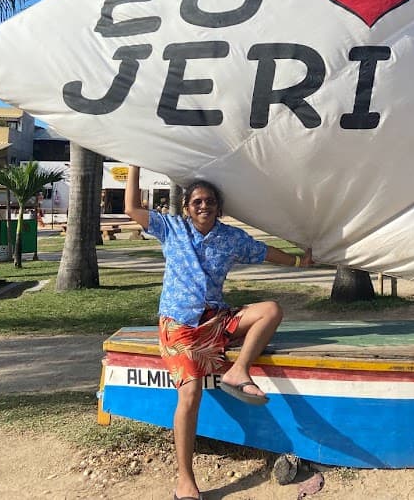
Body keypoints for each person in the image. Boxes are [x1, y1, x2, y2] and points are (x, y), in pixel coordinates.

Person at [124, 165, 313, 500]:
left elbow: (265, 252)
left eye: (209, 201)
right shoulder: (172, 229)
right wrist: (134, 164)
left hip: (216, 321)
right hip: (179, 327)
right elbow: (132, 209)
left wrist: (299, 263)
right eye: (196, 201)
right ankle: (185, 479)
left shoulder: (230, 238)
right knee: (190, 393)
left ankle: (239, 371)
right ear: (186, 208)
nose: (203, 206)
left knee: (270, 310)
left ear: (218, 207)